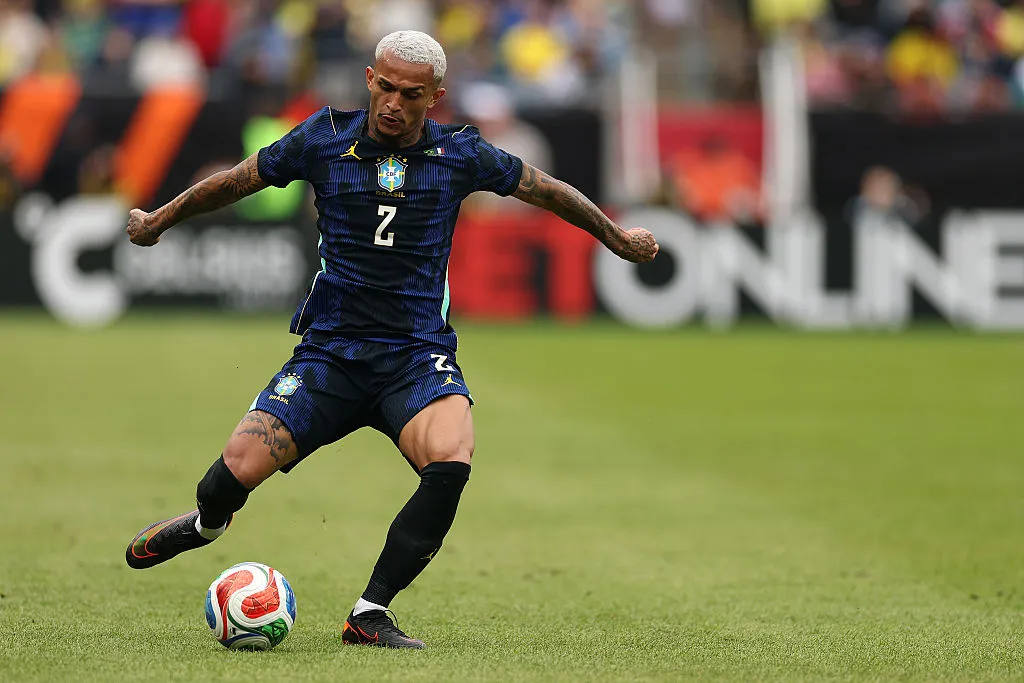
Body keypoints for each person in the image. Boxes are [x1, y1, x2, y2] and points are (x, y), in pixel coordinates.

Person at [123, 30, 658, 649]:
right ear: (369, 80)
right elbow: (235, 181)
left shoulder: (461, 153)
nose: (394, 103)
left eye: (411, 94)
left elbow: (547, 191)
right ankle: (207, 525)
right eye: (385, 87)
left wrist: (618, 238)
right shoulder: (322, 138)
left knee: (453, 455)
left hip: (415, 358)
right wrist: (158, 220)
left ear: (435, 96)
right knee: (230, 474)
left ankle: (369, 612)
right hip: (330, 354)